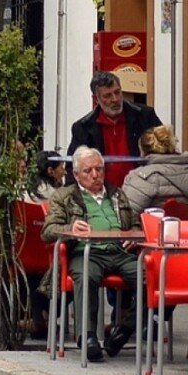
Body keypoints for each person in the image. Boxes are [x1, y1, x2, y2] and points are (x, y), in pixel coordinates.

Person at [42, 147, 138, 362]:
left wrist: (133, 236)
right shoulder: (65, 196)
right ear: (76, 175)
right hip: (86, 252)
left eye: (99, 169)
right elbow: (47, 231)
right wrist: (70, 229)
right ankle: (87, 337)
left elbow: (135, 223)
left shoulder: (117, 194)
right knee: (87, 275)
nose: (95, 175)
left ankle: (124, 330)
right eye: (88, 171)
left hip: (120, 251)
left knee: (154, 277)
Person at [67, 70, 162, 186]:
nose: (115, 99)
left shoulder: (145, 116)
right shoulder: (83, 127)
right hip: (102, 193)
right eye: (108, 95)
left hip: (143, 188)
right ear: (96, 99)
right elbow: (72, 167)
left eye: (117, 92)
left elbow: (165, 150)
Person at [118, 125, 188, 214]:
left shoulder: (143, 176)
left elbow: (125, 216)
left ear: (143, 151)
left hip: (152, 227)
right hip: (185, 226)